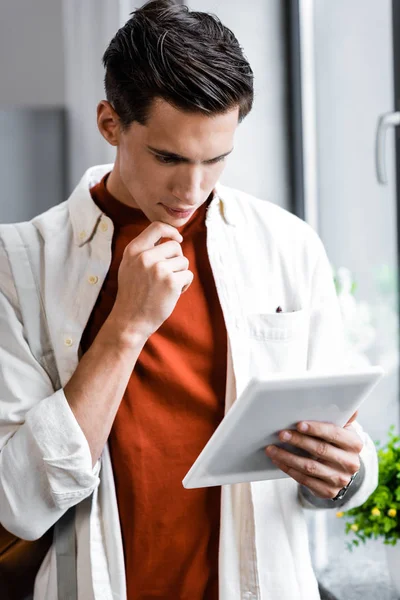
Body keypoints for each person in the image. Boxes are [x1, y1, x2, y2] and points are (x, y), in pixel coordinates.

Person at [0, 1, 377, 599]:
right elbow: (18, 503)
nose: (192, 190)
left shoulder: (287, 244)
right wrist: (127, 325)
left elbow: (349, 448)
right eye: (168, 158)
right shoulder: (19, 265)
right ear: (109, 123)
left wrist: (347, 474)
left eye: (216, 159)